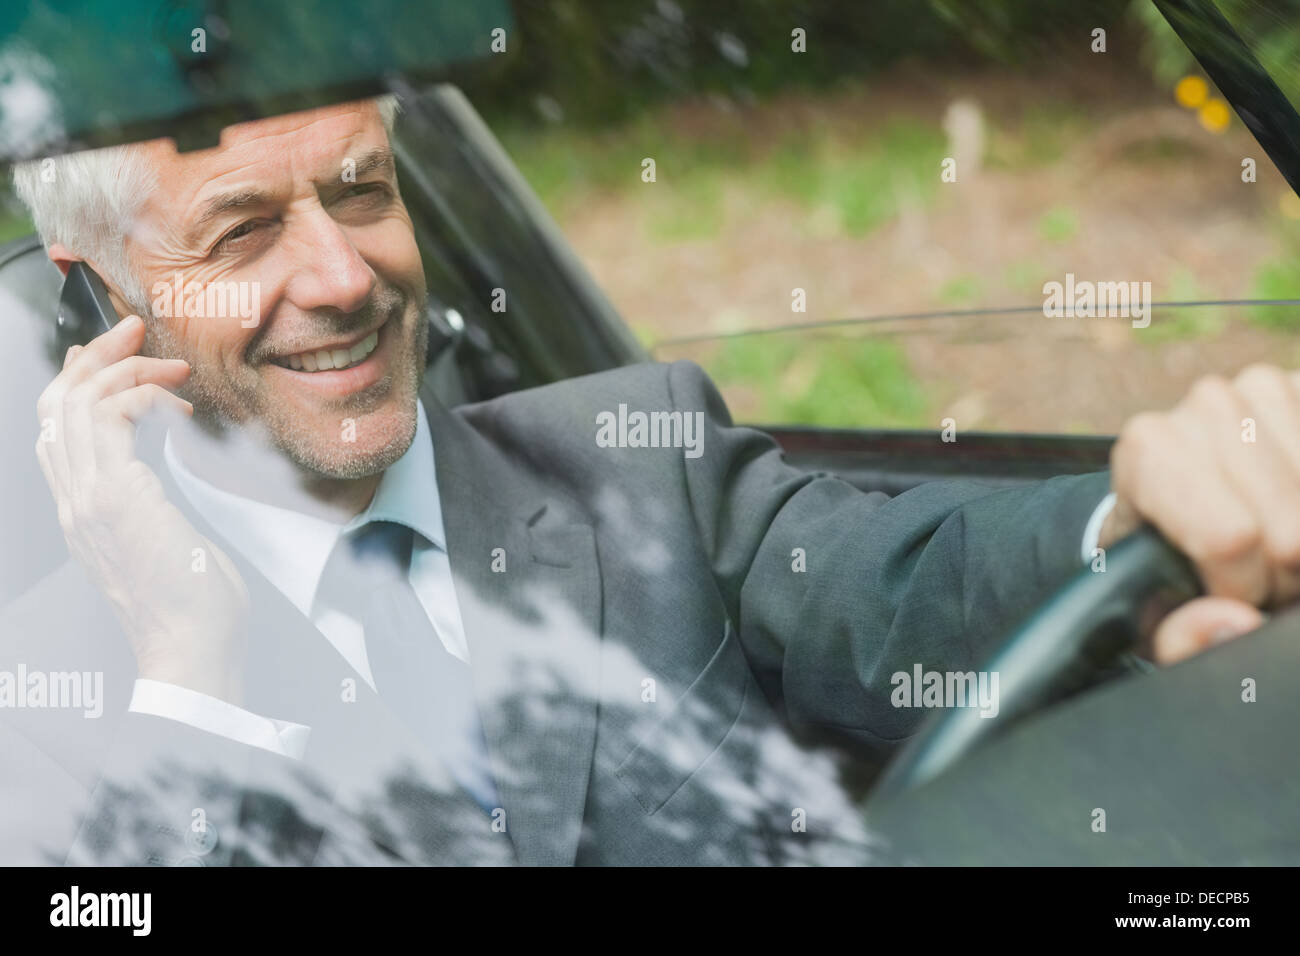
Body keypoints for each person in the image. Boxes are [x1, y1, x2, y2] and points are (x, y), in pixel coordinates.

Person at [0, 96, 1290, 865]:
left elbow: (915, 586)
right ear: (101, 290)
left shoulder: (638, 452)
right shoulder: (43, 710)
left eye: (363, 191)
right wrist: (187, 673)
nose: (343, 277)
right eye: (245, 231)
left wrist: (1140, 515)